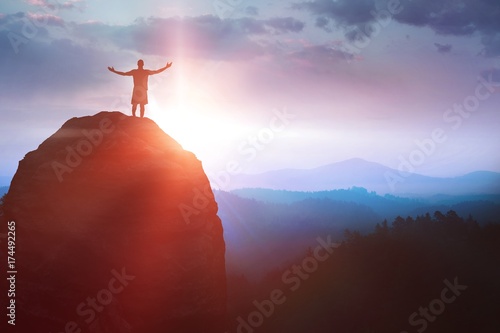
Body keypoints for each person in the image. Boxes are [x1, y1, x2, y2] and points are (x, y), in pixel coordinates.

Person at [108, 59, 172, 118]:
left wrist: (114, 71)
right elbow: (156, 72)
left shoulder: (140, 72)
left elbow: (124, 74)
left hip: (141, 90)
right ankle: (136, 117)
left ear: (138, 64)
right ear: (141, 64)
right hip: (139, 90)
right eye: (140, 63)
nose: (140, 64)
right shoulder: (140, 72)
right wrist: (114, 71)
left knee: (140, 105)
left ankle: (139, 118)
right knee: (138, 105)